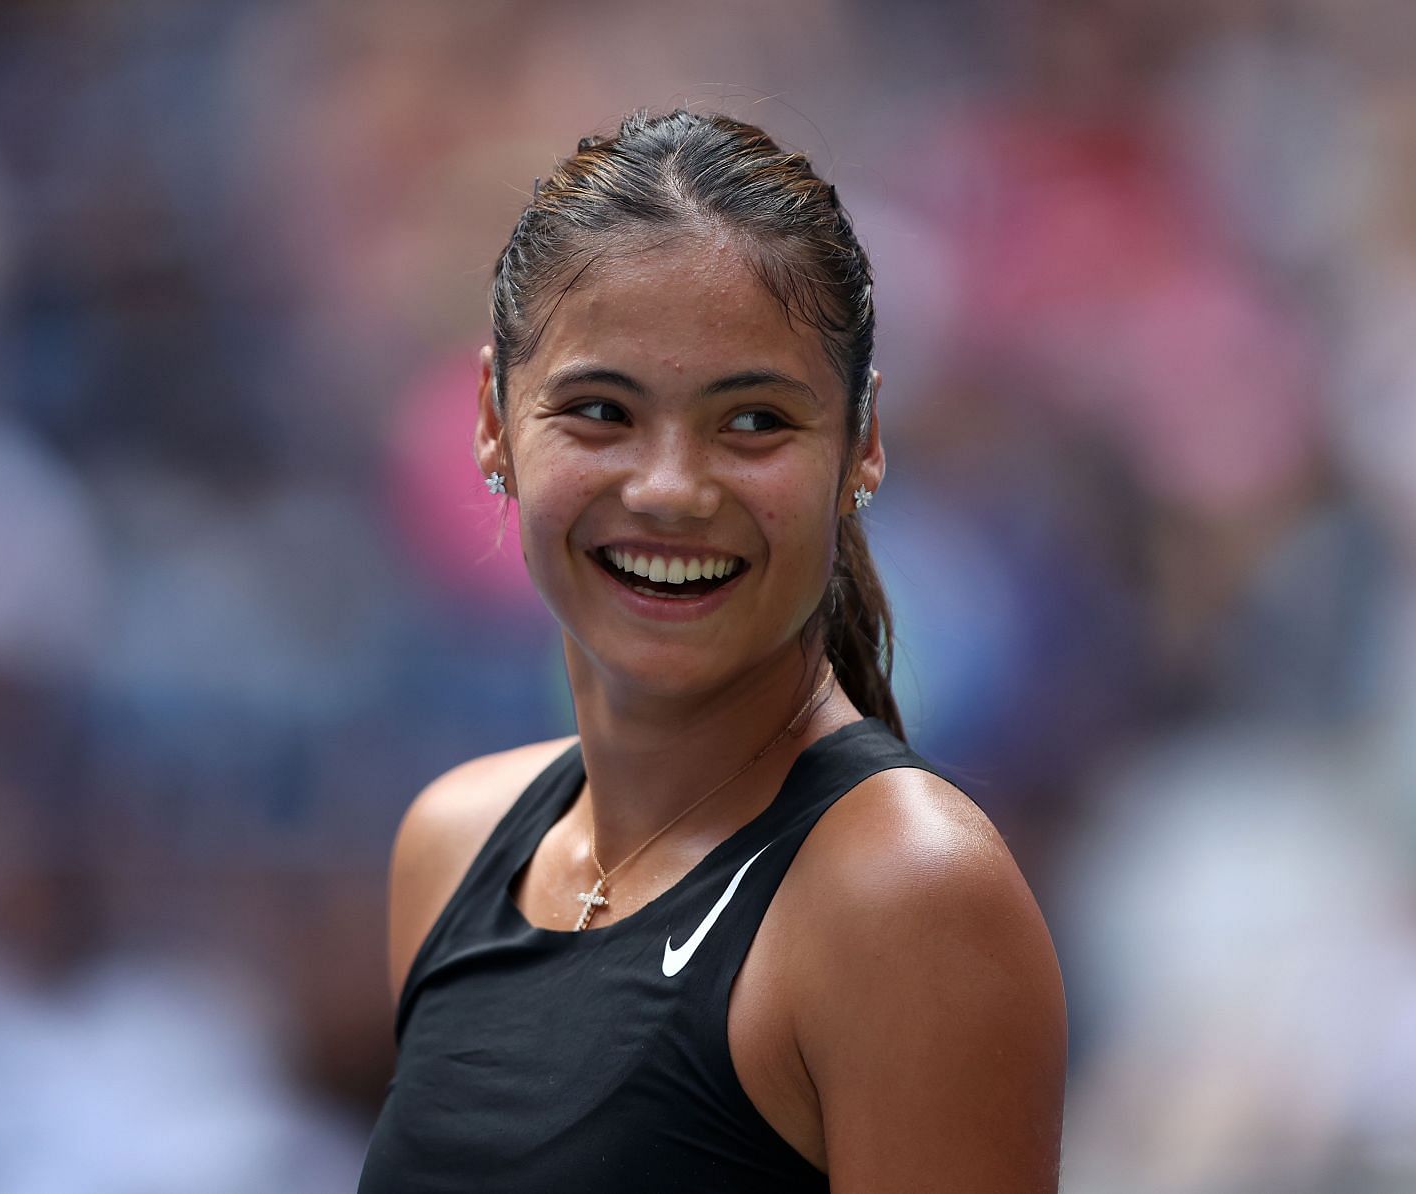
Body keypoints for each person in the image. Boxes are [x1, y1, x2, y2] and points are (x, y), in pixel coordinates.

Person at [361, 109, 1067, 1192]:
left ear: (861, 443)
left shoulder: (907, 897)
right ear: (493, 422)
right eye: (601, 411)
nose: (672, 490)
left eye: (753, 423)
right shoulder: (450, 844)